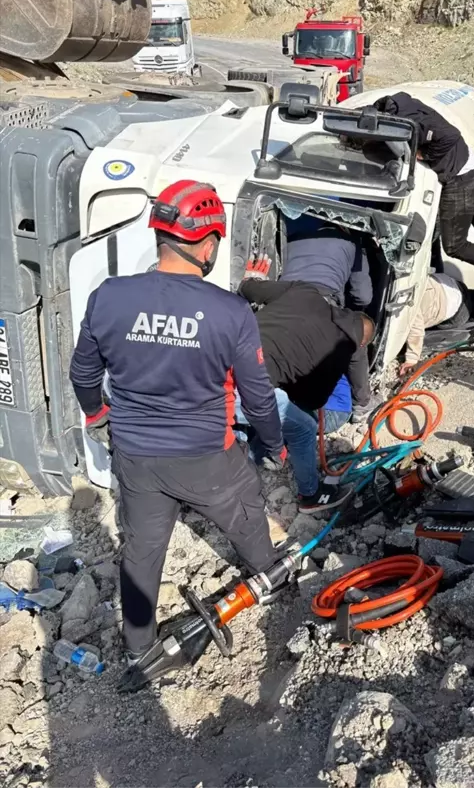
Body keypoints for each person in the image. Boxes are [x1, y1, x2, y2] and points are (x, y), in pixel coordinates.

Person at [69, 180, 285, 662]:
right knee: (245, 514)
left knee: (142, 550)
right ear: (207, 243)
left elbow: (83, 372)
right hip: (207, 456)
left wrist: (99, 414)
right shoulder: (230, 312)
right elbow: (257, 395)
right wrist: (273, 447)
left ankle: (138, 647)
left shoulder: (110, 297)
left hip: (137, 456)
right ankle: (269, 573)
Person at [372, 92, 474, 302]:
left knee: (455, 245)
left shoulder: (412, 121)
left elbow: (450, 135)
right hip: (472, 169)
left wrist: (424, 155)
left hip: (460, 180)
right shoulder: (399, 105)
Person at [238, 271, 375, 512]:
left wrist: (251, 281)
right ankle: (310, 495)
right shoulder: (342, 352)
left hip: (212, 359)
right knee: (303, 427)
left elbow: (249, 289)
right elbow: (309, 401)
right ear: (361, 344)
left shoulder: (304, 291)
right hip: (237, 387)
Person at [281, 215, 378, 422]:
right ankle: (362, 403)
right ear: (346, 227)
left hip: (282, 300)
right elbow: (363, 295)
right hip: (322, 301)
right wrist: (351, 312)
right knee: (353, 343)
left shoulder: (291, 239)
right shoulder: (351, 242)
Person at [398, 273, 474, 374]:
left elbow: (416, 330)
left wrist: (411, 360)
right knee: (470, 296)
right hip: (449, 284)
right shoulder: (402, 280)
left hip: (458, 311)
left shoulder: (405, 300)